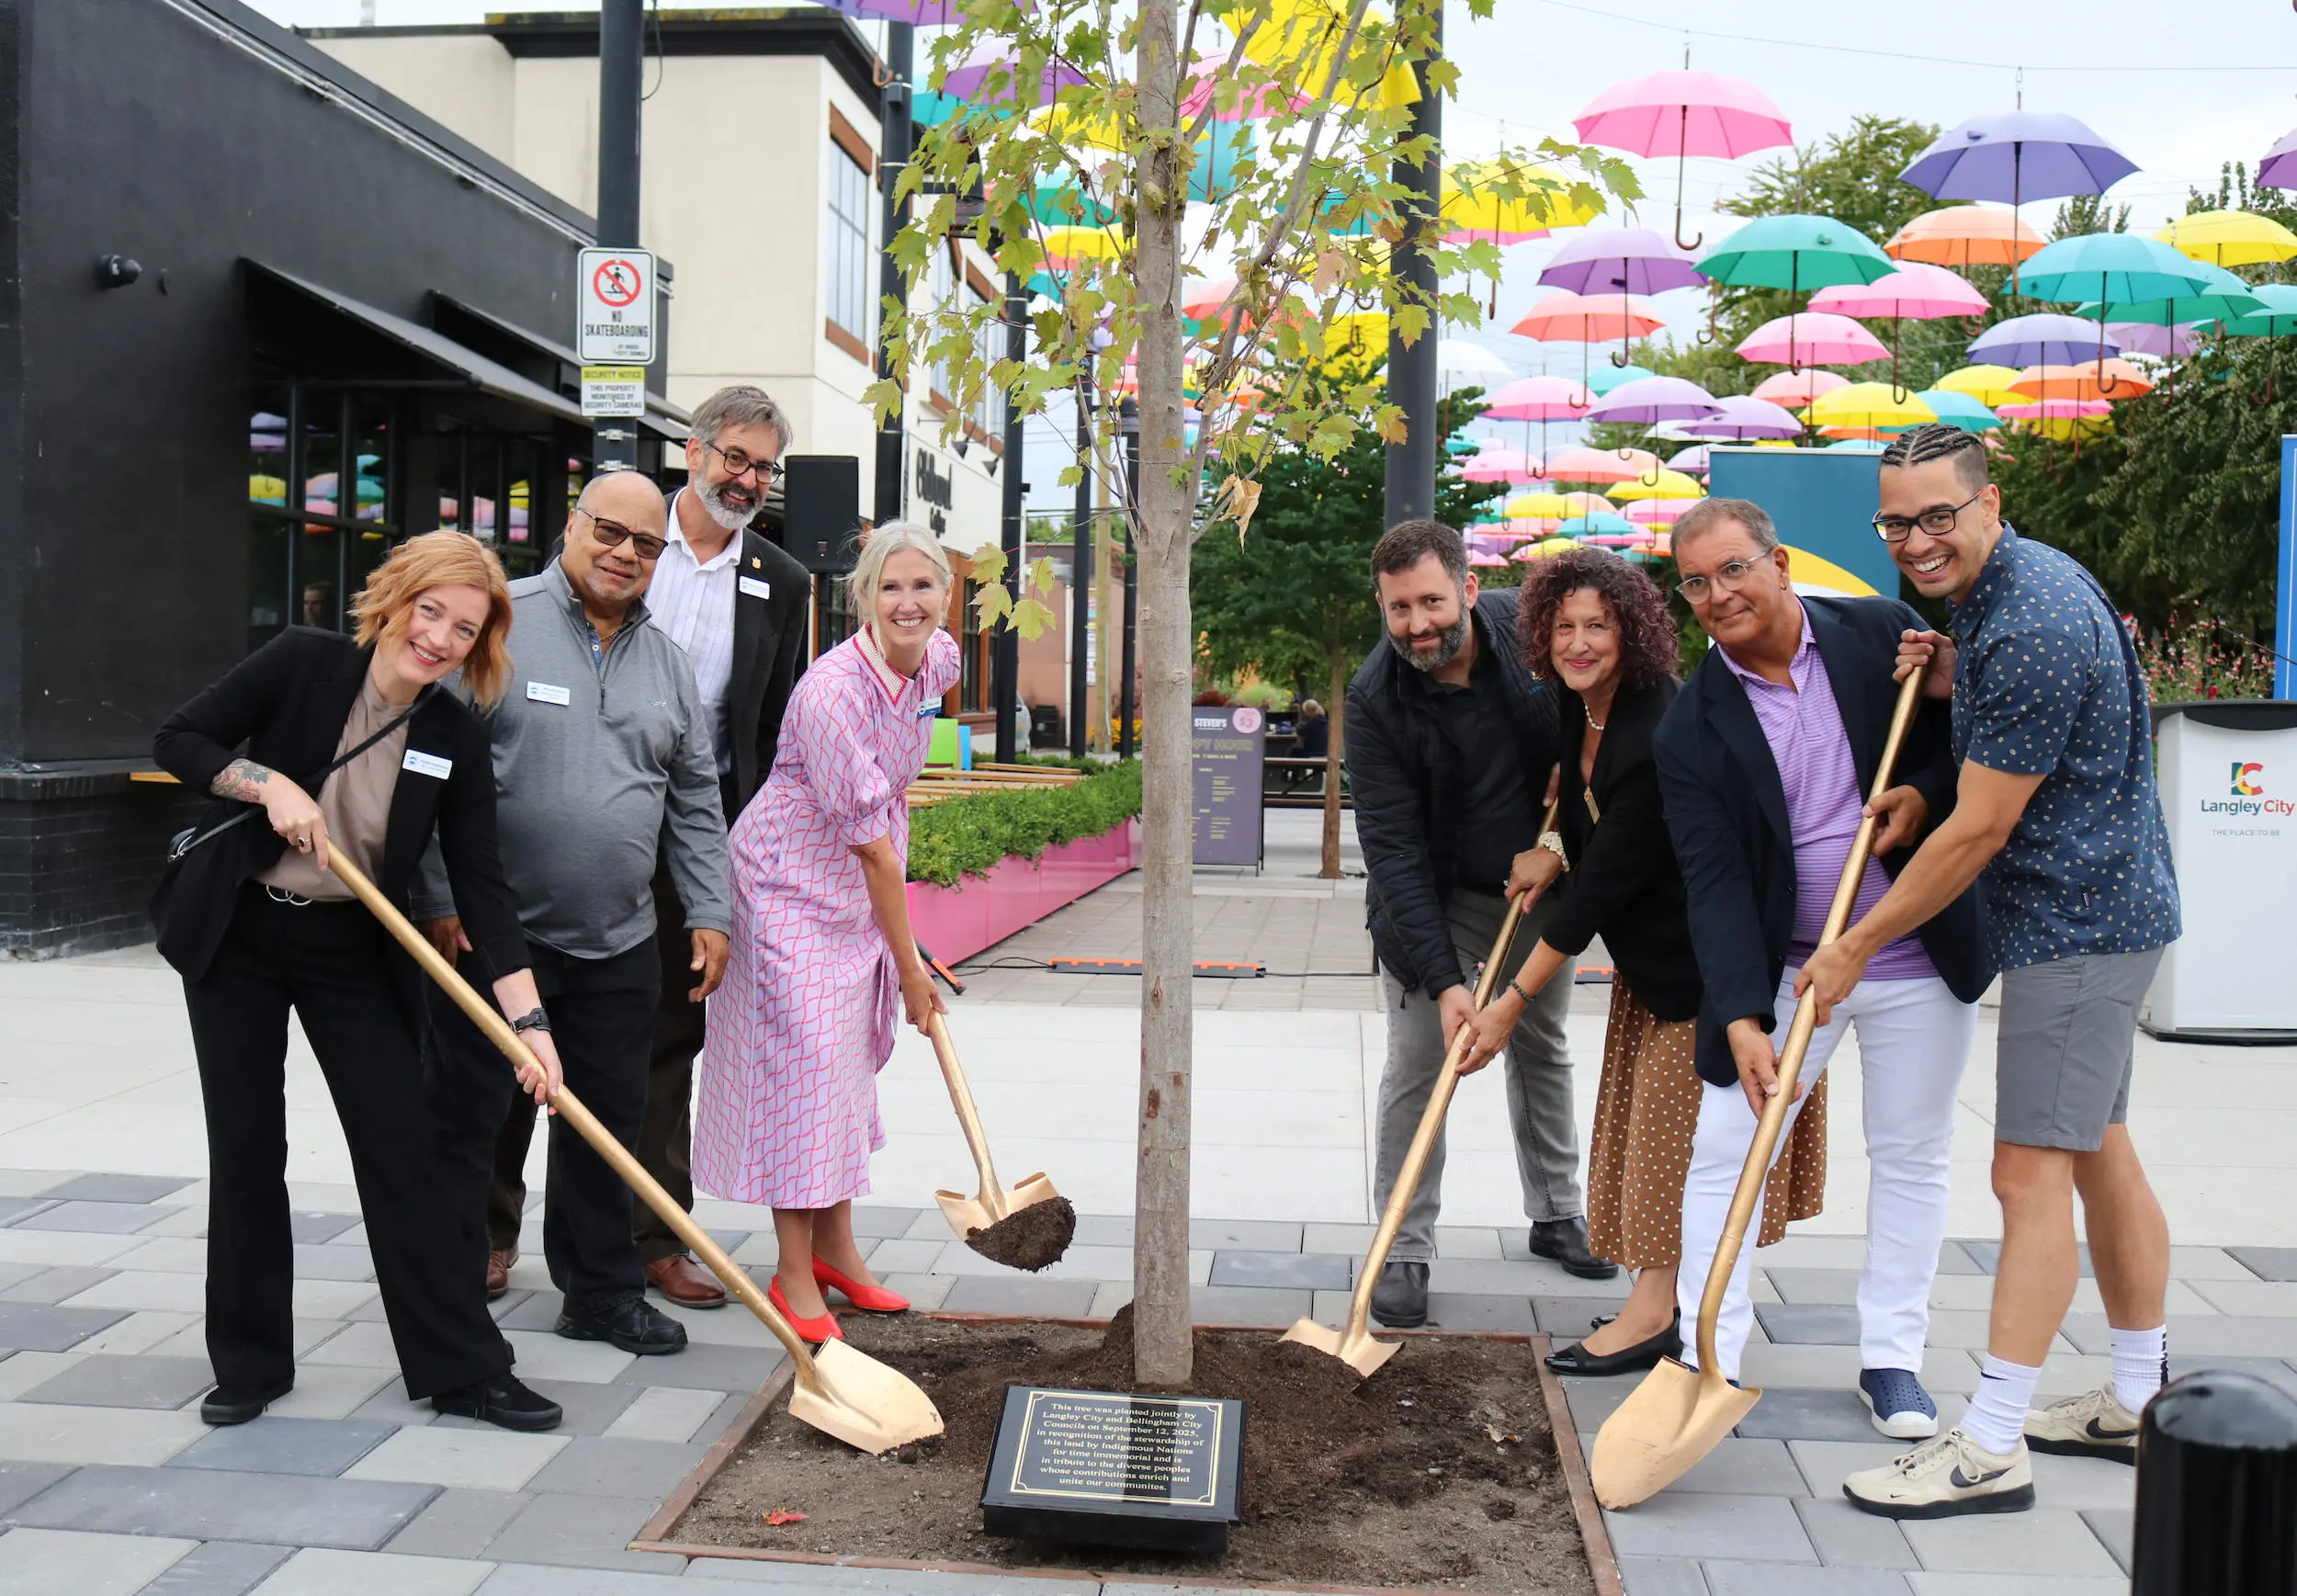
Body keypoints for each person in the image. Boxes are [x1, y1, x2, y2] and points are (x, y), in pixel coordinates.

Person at [1803, 425, 2181, 1519]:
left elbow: (1976, 833)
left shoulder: (2030, 622)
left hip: (2078, 926)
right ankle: (2135, 1401)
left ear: (1986, 502)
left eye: (1937, 516)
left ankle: (1990, 1444)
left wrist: (1855, 943)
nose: (1916, 542)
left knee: (2027, 1179)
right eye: (1896, 521)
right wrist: (1951, 678)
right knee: (2099, 1156)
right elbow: (2015, 741)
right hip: (2107, 913)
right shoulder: (2014, 591)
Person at [153, 531, 564, 1432]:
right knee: (249, 1150)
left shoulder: (451, 733)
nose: (441, 638)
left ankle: (464, 1369)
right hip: (243, 935)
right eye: (432, 611)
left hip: (353, 948)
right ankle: (251, 1364)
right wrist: (263, 783)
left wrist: (529, 1027)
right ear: (399, 599)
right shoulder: (302, 665)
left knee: (404, 1155)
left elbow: (485, 890)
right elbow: (179, 737)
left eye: (464, 628)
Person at [1654, 498, 1992, 1439]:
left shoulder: (1882, 636)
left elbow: (1963, 748)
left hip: (1911, 955)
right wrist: (1738, 1020)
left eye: (1731, 570)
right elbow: (1712, 886)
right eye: (1694, 583)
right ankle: (1703, 1349)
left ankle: (1892, 1358)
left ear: (1779, 562)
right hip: (1789, 971)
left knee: (1911, 1155)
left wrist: (1923, 792)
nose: (1716, 595)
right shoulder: (1690, 728)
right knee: (1725, 1152)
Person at [1462, 549, 1826, 1375]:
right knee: (1649, 1137)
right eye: (1565, 626)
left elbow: (1603, 893)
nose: (1579, 642)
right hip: (1656, 967)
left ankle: (1655, 1314)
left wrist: (1509, 1004)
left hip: (1713, 972)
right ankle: (1659, 1298)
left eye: (1599, 625)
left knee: (1673, 1142)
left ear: (1634, 633)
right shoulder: (1579, 704)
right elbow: (1586, 819)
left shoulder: (1656, 726)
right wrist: (1552, 843)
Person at [417, 471, 732, 1360]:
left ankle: (597, 1292)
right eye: (609, 532)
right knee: (471, 1115)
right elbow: (427, 771)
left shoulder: (667, 660)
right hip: (494, 934)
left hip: (622, 938)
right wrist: (439, 897)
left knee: (607, 1124)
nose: (624, 553)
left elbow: (695, 796)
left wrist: (709, 905)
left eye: (644, 545)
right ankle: (451, 1277)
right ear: (571, 525)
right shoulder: (499, 625)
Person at [693, 521, 960, 1341]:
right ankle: (794, 1274)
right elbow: (875, 847)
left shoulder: (939, 661)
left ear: (946, 596)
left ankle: (840, 1251)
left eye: (923, 586)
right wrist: (909, 964)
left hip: (849, 888)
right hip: (783, 890)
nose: (908, 602)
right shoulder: (830, 693)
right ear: (862, 599)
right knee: (802, 1075)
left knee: (843, 1068)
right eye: (890, 587)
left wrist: (896, 945)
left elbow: (883, 835)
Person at [1346, 518, 1611, 1334]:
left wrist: (1582, 764)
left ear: (1466, 586)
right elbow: (1392, 854)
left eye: (1431, 600)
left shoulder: (1531, 629)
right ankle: (1403, 1244)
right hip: (1434, 895)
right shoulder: (1374, 699)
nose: (1418, 624)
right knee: (1424, 1058)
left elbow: (1606, 668)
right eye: (1399, 609)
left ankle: (1558, 1211)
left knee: (1541, 1044)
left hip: (1539, 882)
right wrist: (1447, 981)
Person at [574, 386, 807, 1309]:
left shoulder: (781, 582)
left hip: (694, 844)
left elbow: (772, 727)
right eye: (734, 457)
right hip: (580, 825)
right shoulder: (627, 543)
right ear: (693, 450)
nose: (747, 479)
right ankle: (489, 1232)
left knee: (672, 1041)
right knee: (528, 1029)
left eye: (763, 467)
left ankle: (656, 1239)